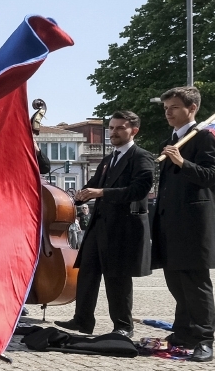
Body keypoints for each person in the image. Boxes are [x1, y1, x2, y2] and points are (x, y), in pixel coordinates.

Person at [55, 111, 155, 338]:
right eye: (111, 128)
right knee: (87, 273)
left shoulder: (141, 157)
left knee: (117, 278)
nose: (114, 132)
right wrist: (75, 196)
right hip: (98, 226)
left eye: (120, 128)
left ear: (133, 131)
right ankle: (82, 320)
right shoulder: (109, 159)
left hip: (122, 229)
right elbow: (92, 185)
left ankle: (123, 325)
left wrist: (101, 192)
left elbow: (139, 190)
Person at [151, 86, 215, 362]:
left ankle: (204, 339)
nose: (168, 112)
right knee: (177, 284)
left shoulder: (204, 138)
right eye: (166, 107)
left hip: (194, 227)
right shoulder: (170, 140)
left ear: (191, 109)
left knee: (196, 285)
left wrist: (181, 162)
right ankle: (182, 333)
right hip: (170, 225)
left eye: (174, 107)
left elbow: (209, 175)